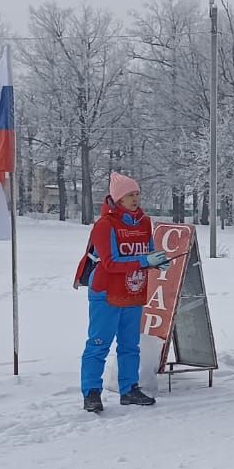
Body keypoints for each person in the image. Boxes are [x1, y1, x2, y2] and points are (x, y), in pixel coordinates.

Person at [75, 173, 169, 412]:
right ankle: (91, 392)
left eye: (137, 194)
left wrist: (155, 261)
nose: (135, 199)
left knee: (130, 345)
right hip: (105, 291)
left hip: (133, 289)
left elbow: (146, 251)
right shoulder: (104, 225)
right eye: (130, 195)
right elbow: (110, 262)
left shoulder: (145, 222)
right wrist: (144, 260)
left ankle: (129, 389)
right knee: (99, 344)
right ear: (118, 199)